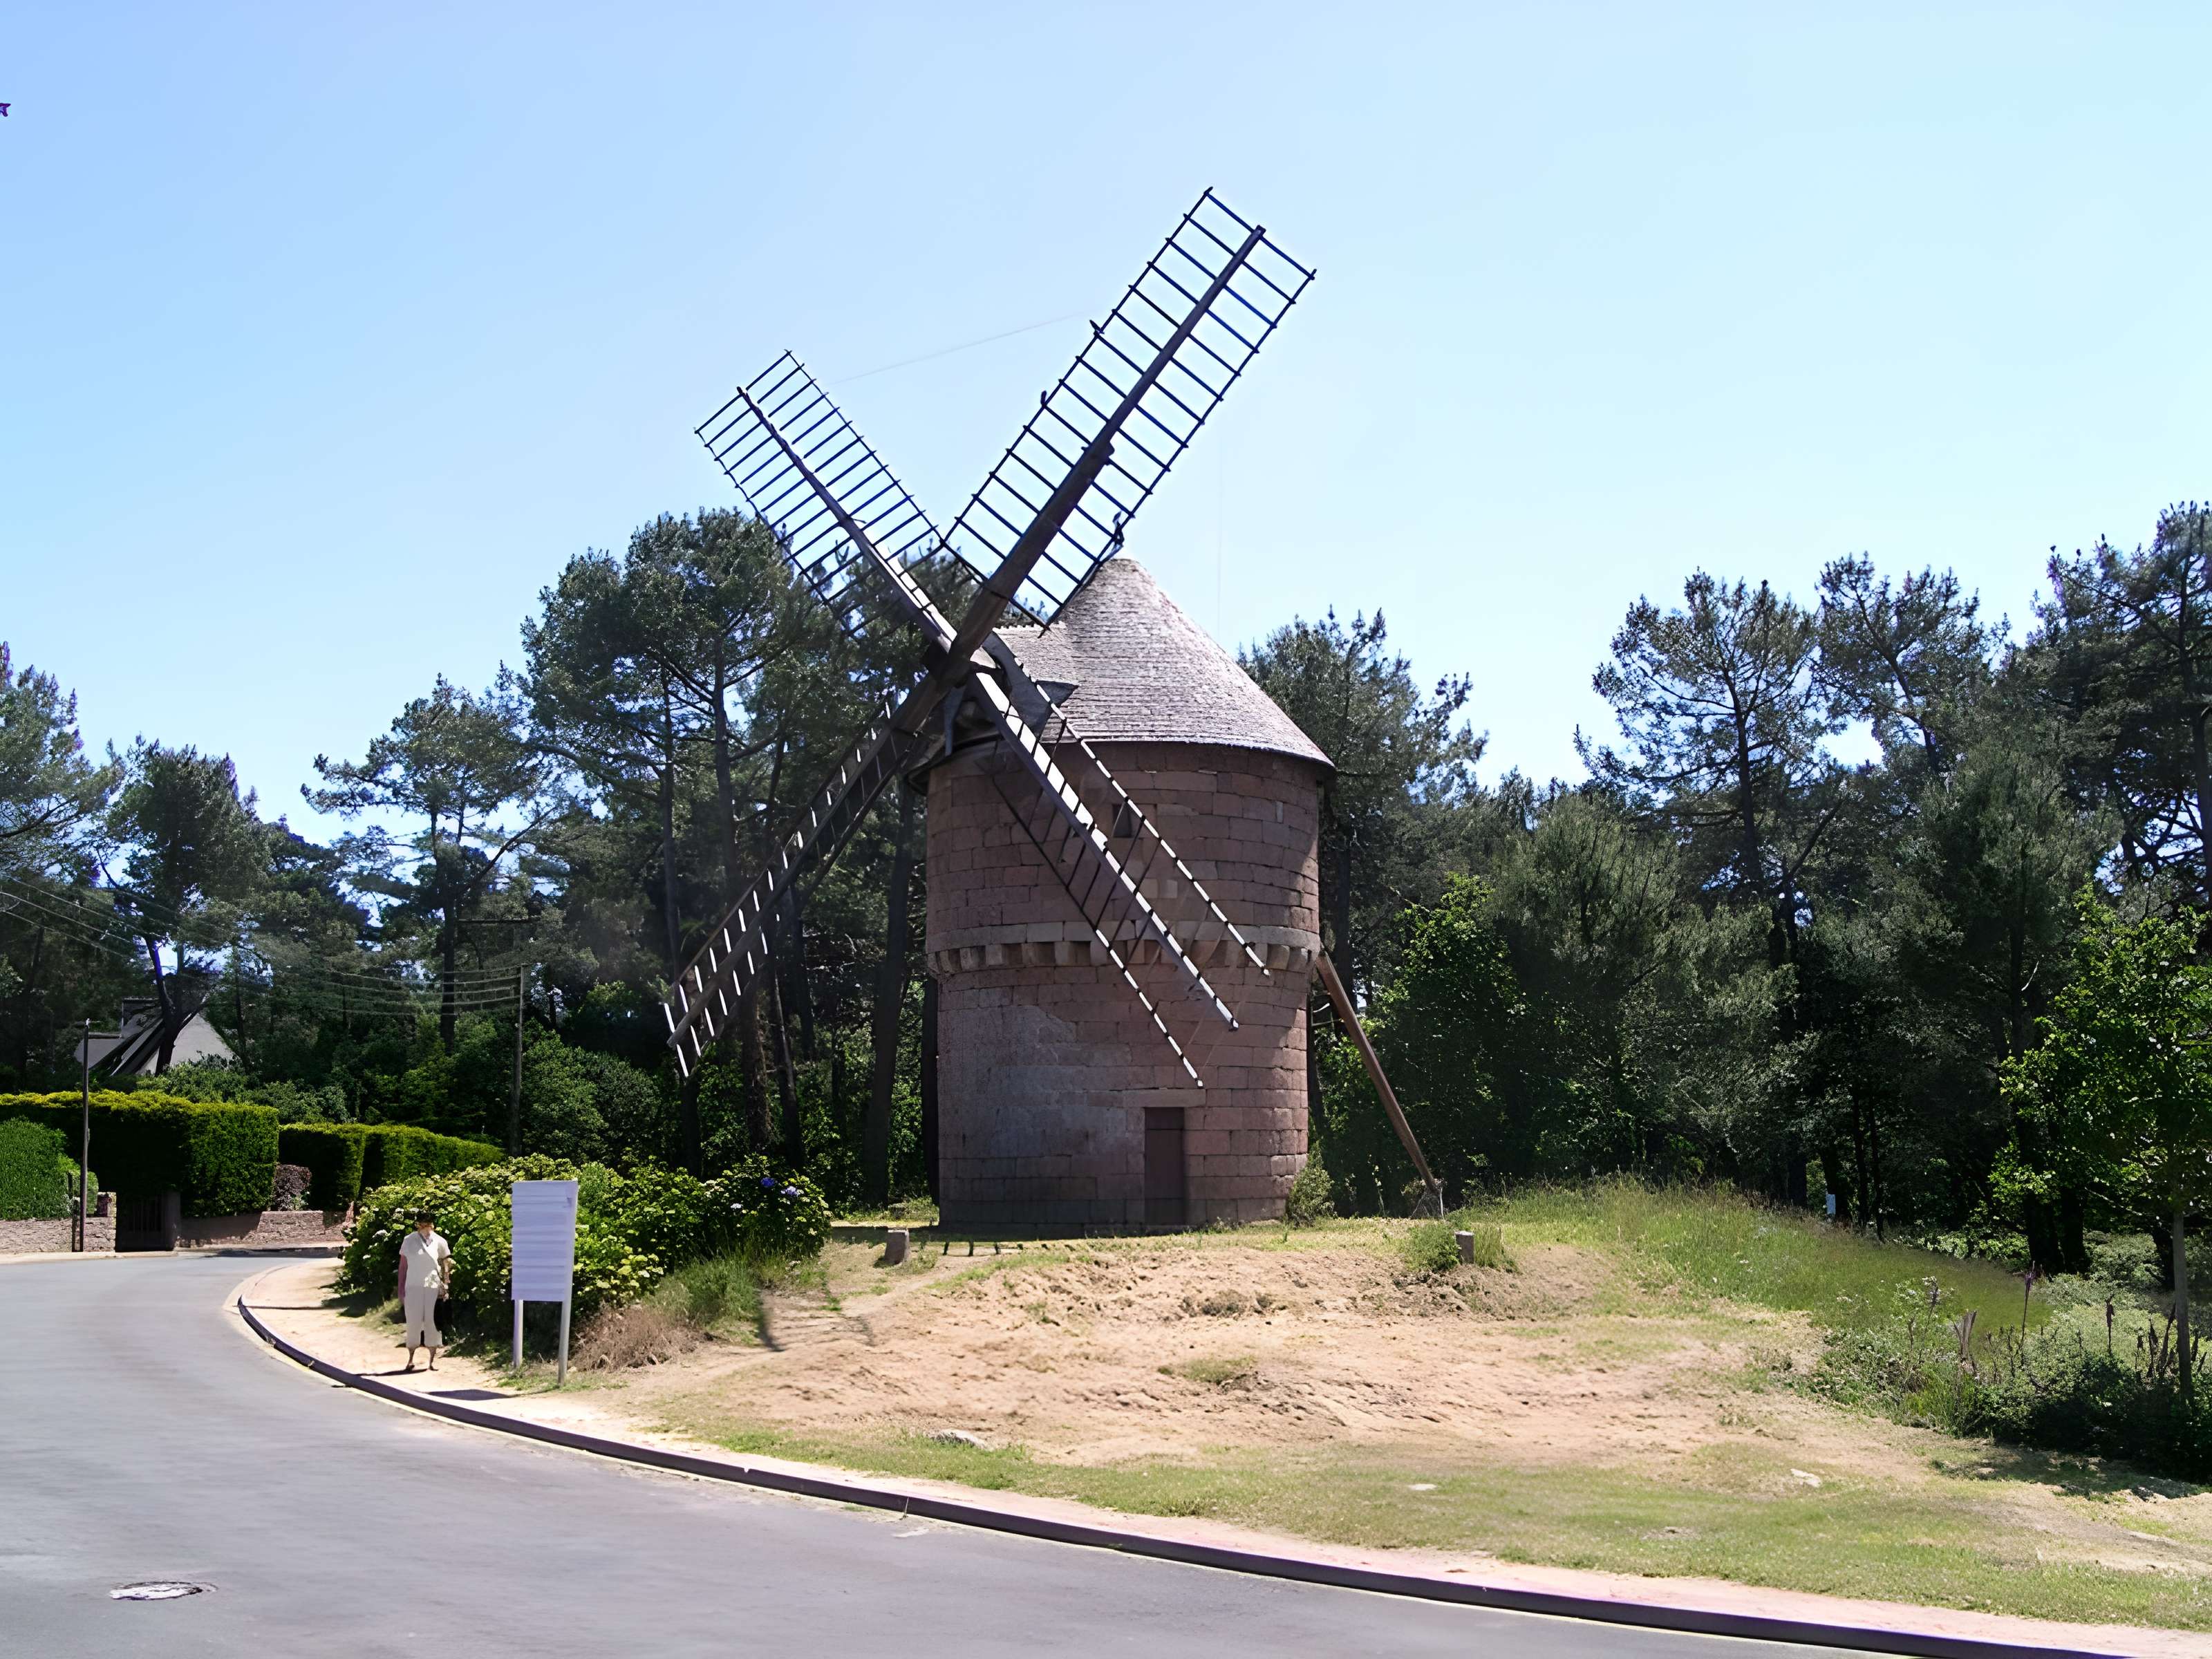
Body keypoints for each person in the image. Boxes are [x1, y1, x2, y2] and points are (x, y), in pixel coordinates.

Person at [398, 1210, 453, 1372]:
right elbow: (403, 1266)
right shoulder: (409, 1241)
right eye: (422, 1224)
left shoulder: (440, 1241)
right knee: (414, 1322)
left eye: (427, 1224)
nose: (425, 1227)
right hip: (413, 1285)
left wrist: (446, 1283)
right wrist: (401, 1289)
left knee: (432, 1322)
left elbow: (446, 1264)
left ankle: (431, 1361)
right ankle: (410, 1358)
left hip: (433, 1286)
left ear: (432, 1225)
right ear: (418, 1225)